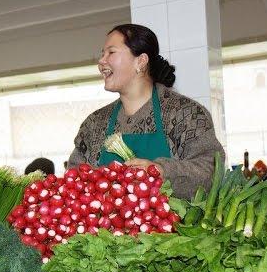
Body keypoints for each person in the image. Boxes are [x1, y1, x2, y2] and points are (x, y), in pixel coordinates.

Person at [68, 24, 225, 200]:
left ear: (141, 61)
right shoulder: (95, 123)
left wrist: (160, 171)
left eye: (111, 53)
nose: (101, 61)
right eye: (102, 54)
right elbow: (73, 178)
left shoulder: (185, 114)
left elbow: (211, 170)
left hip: (176, 227)